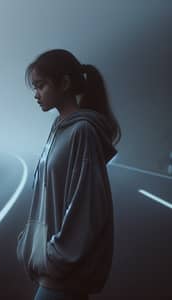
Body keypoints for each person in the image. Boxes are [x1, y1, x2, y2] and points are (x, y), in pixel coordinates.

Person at [16, 49, 121, 300]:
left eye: (40, 86)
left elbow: (88, 205)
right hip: (54, 272)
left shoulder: (82, 131)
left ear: (64, 83)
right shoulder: (59, 128)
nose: (35, 94)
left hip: (63, 276)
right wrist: (30, 243)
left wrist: (54, 255)